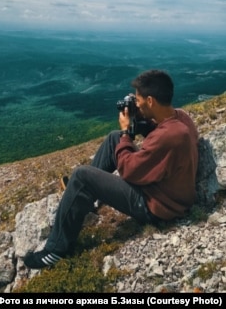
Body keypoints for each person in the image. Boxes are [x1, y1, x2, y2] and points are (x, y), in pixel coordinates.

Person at [24, 69, 198, 269]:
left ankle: (55, 250)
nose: (138, 104)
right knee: (113, 138)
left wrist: (127, 132)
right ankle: (85, 201)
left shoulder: (169, 136)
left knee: (82, 175)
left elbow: (128, 170)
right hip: (166, 190)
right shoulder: (181, 119)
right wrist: (137, 125)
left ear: (151, 101)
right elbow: (160, 137)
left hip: (157, 206)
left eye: (140, 101)